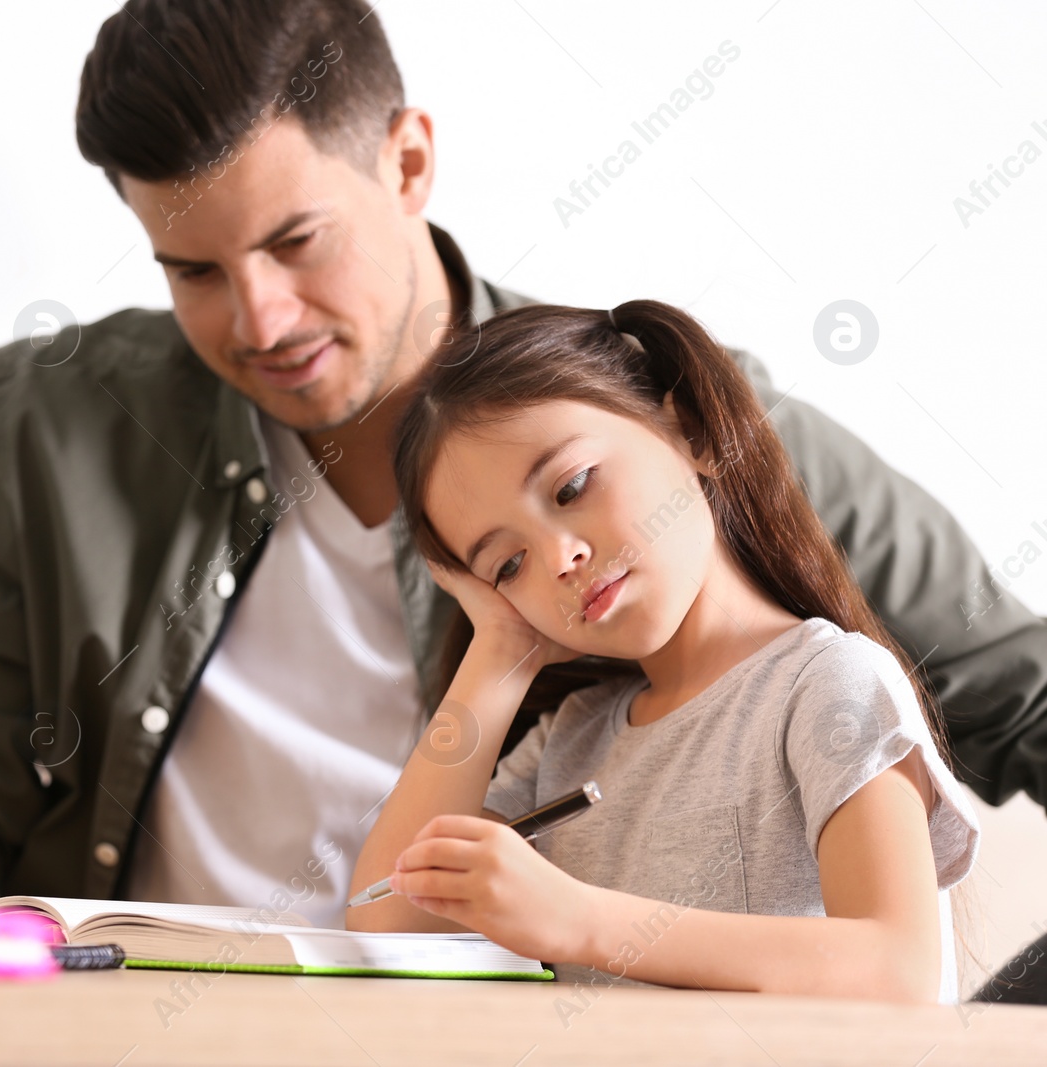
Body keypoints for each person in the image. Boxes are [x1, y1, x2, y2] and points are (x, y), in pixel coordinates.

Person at [0, 0, 1045, 975]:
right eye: (193, 269)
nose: (259, 318)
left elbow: (1020, 691)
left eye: (297, 242)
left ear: (407, 161)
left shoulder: (648, 423)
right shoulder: (55, 423)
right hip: (137, 1016)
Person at [346, 300, 981, 1003]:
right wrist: (497, 650)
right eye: (506, 565)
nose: (560, 557)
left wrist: (583, 920)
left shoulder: (826, 683)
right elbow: (386, 925)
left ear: (691, 430)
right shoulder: (572, 738)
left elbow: (901, 969)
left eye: (571, 486)